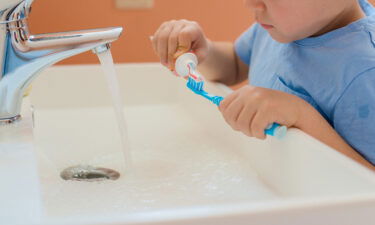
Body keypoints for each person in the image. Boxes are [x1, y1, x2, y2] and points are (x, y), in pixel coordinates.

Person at [151, 0, 375, 170]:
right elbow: (236, 66)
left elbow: (367, 188)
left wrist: (301, 116)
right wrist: (203, 51)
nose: (250, 3)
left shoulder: (365, 73)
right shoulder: (281, 28)